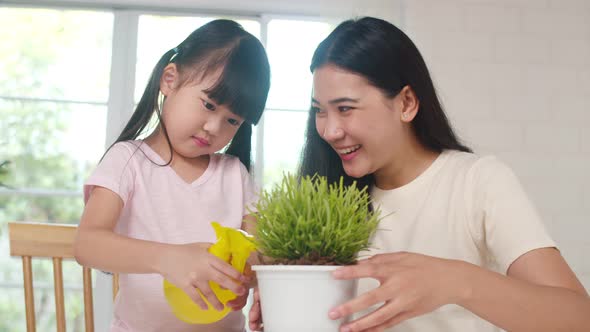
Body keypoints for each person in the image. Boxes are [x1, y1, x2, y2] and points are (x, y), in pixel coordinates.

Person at [249, 17, 590, 332]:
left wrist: (455, 280)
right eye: (319, 111)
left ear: (407, 103)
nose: (330, 130)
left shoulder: (477, 182)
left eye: (345, 108)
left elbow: (578, 317)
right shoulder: (322, 202)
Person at [74, 19, 270, 332]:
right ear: (170, 80)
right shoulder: (128, 161)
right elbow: (87, 244)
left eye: (232, 121)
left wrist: (249, 274)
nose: (214, 127)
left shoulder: (234, 175)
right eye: (208, 104)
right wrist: (168, 259)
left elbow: (260, 253)